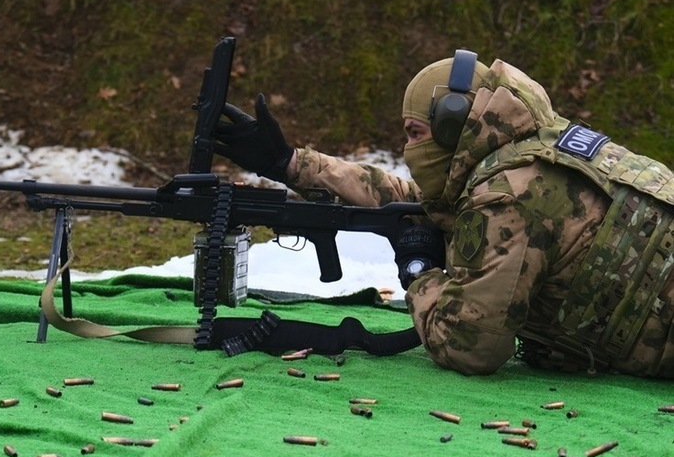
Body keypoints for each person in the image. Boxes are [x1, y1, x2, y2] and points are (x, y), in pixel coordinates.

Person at [213, 49, 674, 379]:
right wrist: (292, 164)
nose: (408, 148)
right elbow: (414, 199)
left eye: (415, 133)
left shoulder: (506, 195)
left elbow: (471, 347)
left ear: (453, 124)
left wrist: (421, 276)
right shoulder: (531, 154)